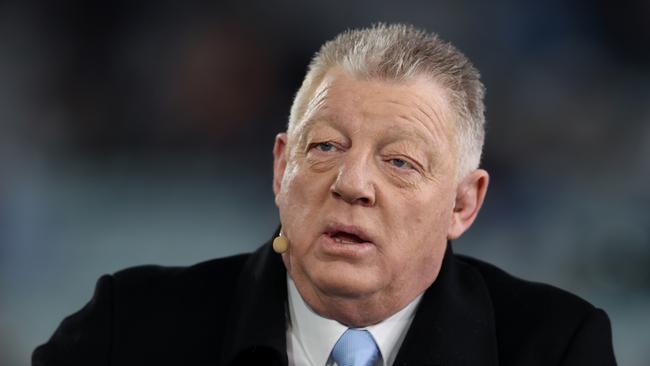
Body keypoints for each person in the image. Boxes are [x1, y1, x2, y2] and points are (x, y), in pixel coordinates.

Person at [33, 23, 617, 366]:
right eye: (326, 148)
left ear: (463, 205)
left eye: (399, 162)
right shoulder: (126, 332)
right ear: (282, 166)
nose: (352, 184)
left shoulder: (555, 346)